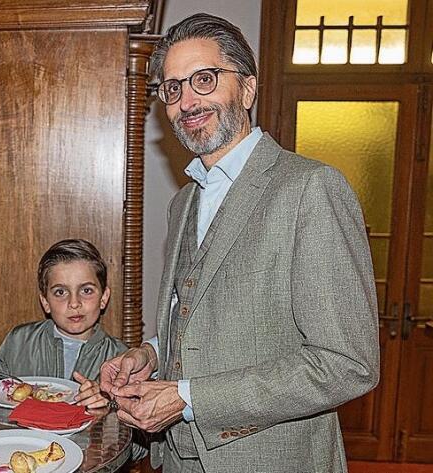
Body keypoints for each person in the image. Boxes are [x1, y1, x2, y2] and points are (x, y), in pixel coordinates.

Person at [99, 13, 380, 473]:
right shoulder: (184, 201)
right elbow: (204, 319)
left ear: (247, 89)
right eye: (173, 88)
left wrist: (187, 398)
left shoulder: (310, 188)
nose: (186, 100)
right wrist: (150, 353)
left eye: (204, 80)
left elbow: (348, 362)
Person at [0, 238, 128, 409]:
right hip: (28, 434)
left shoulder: (120, 357)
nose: (74, 303)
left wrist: (109, 402)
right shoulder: (20, 340)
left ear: (103, 298)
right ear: (45, 302)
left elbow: (134, 410)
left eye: (86, 291)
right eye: (60, 292)